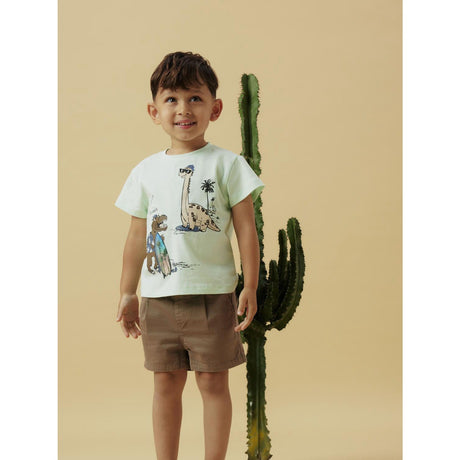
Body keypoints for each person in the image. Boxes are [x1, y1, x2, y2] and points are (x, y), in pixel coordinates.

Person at [114, 51, 265, 460]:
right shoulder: (145, 171)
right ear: (154, 111)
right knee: (165, 385)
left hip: (213, 297)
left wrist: (249, 285)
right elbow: (136, 236)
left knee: (213, 384)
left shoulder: (229, 165)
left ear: (215, 108)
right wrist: (127, 292)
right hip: (158, 300)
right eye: (172, 99)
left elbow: (246, 229)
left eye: (195, 98)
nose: (184, 109)